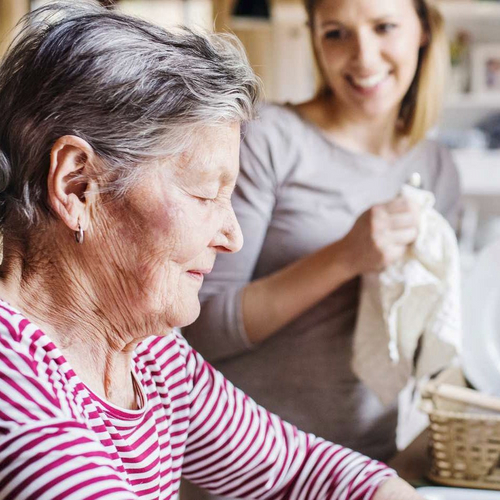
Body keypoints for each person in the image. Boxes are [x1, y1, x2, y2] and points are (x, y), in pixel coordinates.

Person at [0, 1, 425, 499]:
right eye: (204, 194)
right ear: (77, 186)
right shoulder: (21, 401)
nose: (232, 236)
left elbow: (298, 469)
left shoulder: (153, 356)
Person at [183, 0, 461, 496]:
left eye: (384, 27)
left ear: (423, 29)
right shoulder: (267, 138)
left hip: (371, 469)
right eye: (336, 33)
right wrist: (344, 257)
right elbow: (201, 329)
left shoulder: (438, 166)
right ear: (313, 37)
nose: (364, 57)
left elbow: (432, 329)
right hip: (250, 475)